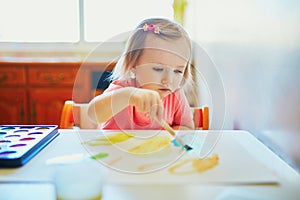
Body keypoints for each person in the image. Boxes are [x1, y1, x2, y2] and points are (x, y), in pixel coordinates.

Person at [87, 17, 195, 130]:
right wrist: (128, 96)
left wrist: (171, 136)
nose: (168, 80)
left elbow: (187, 127)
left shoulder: (175, 95)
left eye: (177, 71)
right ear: (133, 64)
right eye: (158, 69)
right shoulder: (123, 89)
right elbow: (92, 114)